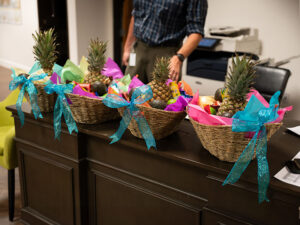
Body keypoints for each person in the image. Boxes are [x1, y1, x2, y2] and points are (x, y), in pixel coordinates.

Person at [122, 0, 208, 83]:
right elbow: (136, 14)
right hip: (138, 49)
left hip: (165, 55)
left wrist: (178, 58)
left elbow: (196, 32)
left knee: (161, 97)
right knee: (128, 92)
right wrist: (127, 47)